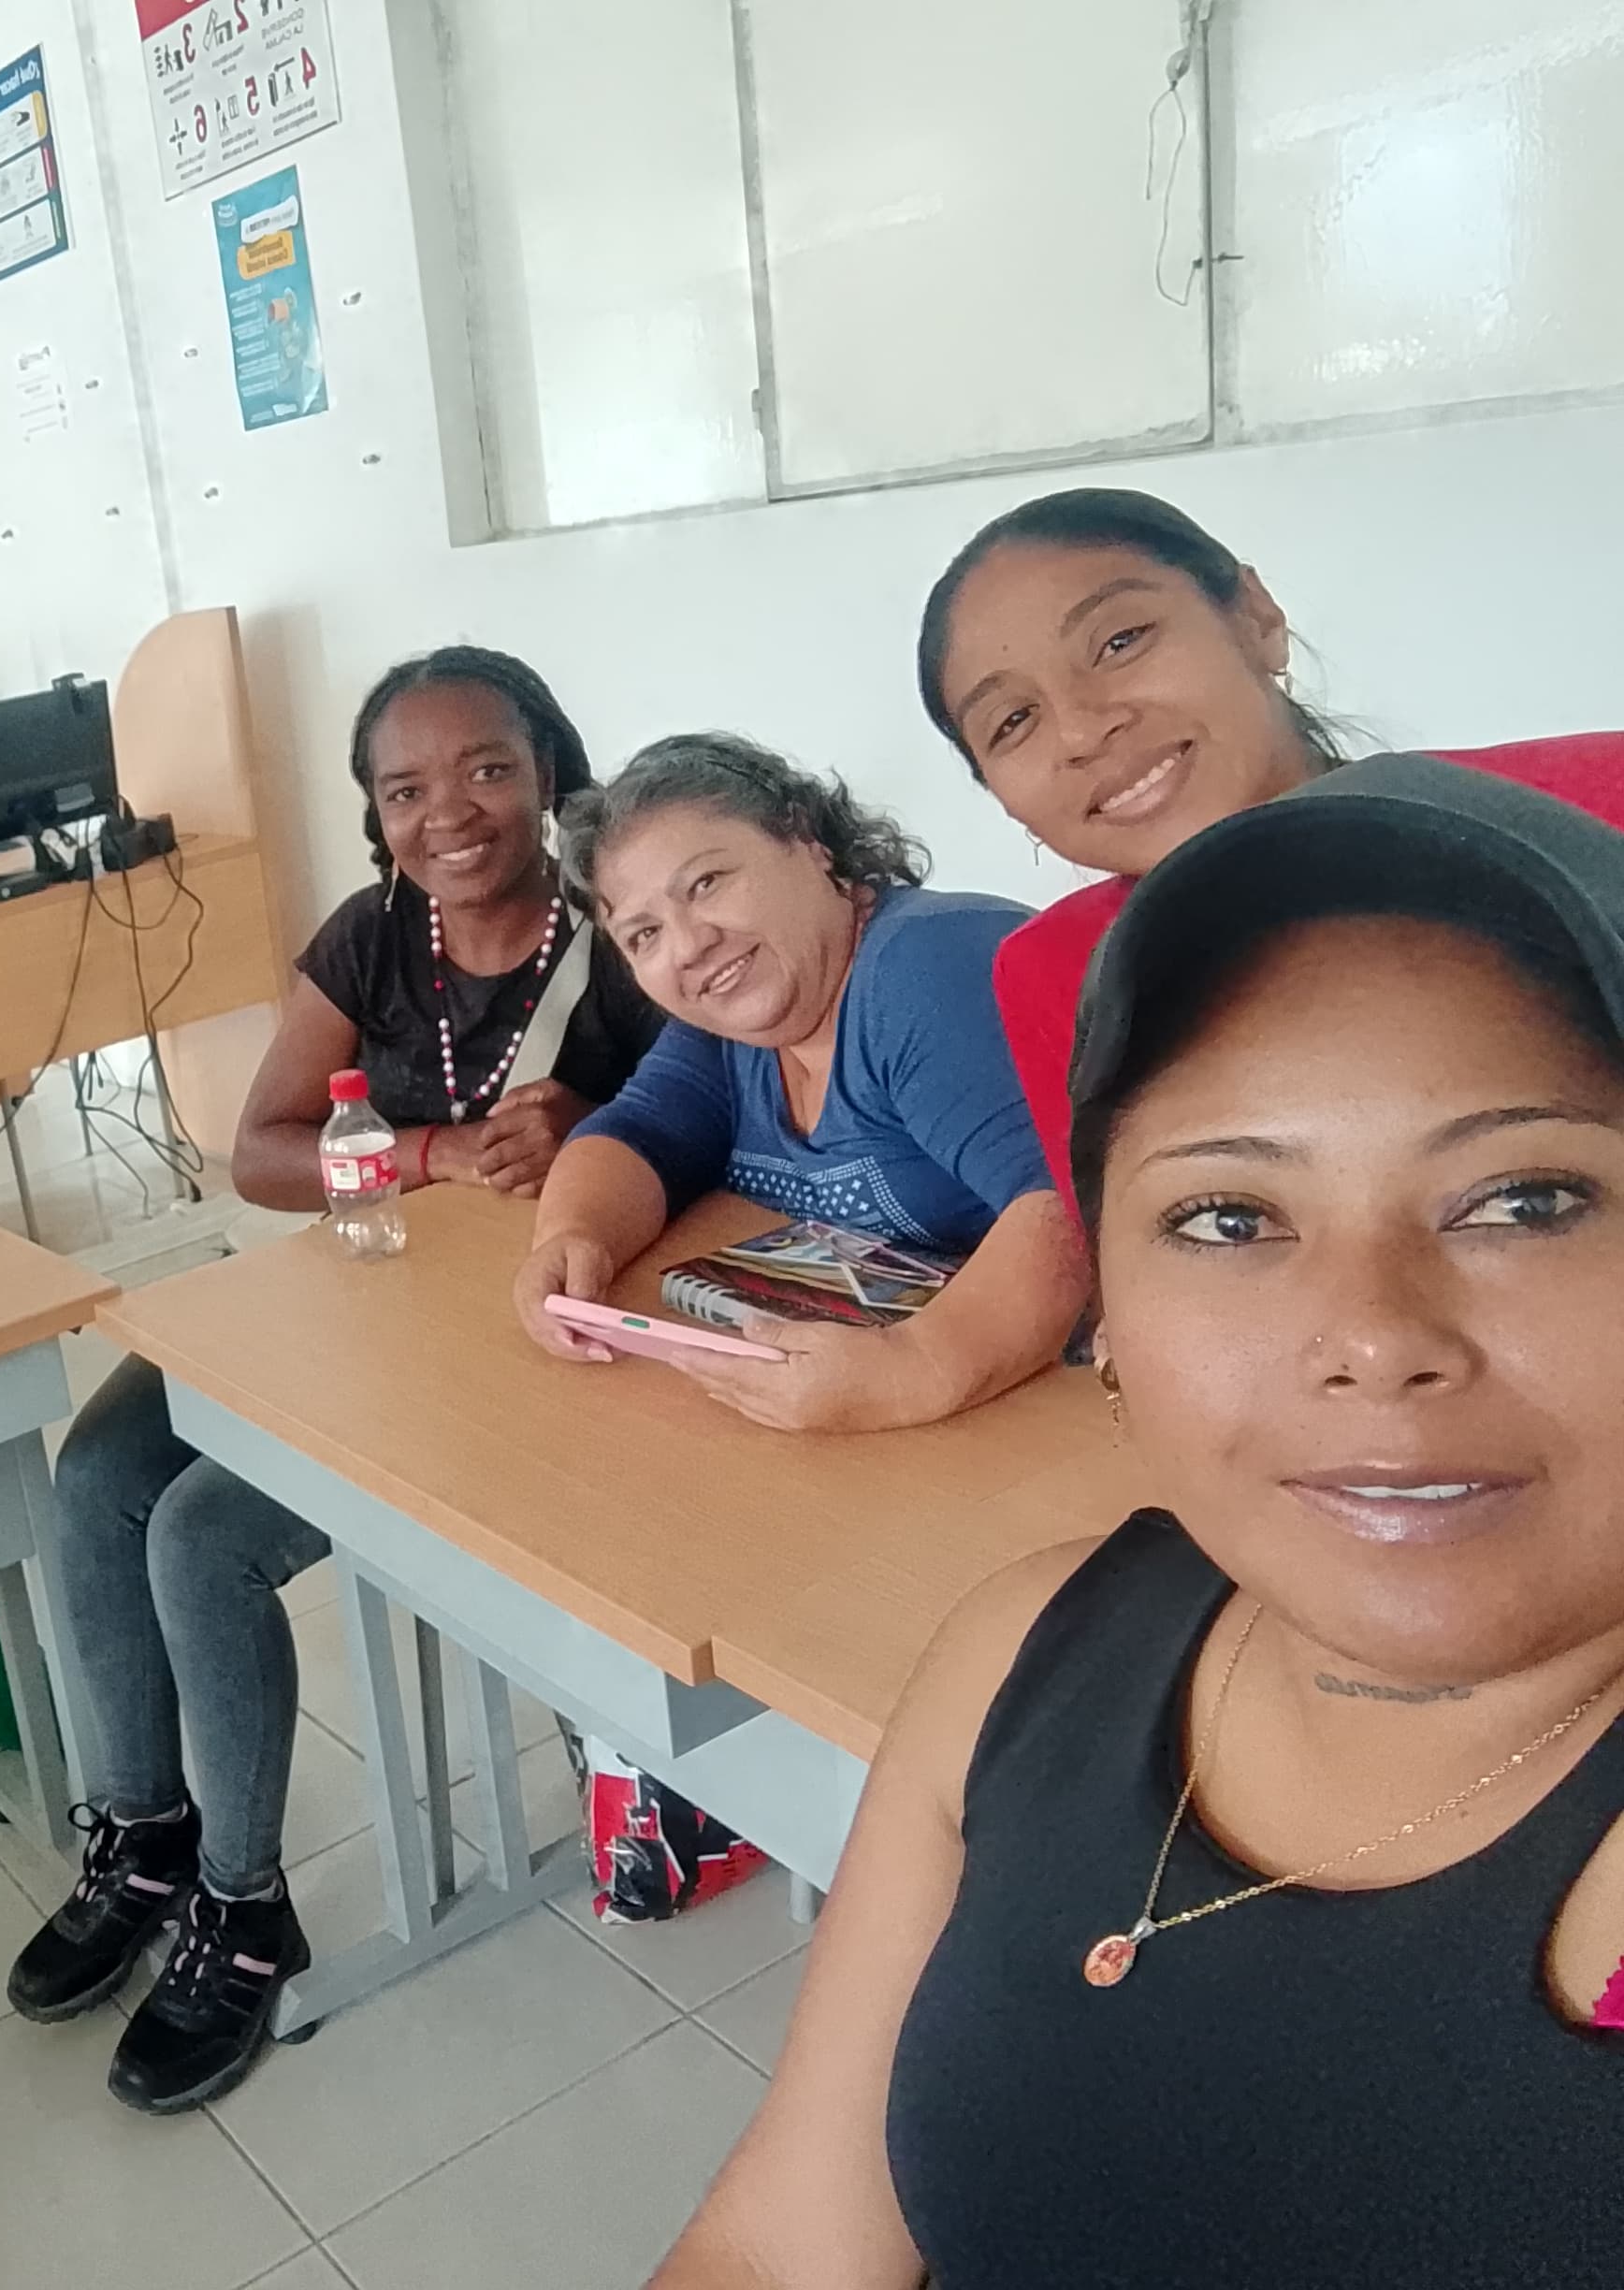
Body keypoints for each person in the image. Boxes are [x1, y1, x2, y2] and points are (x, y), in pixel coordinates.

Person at [651, 753, 1624, 2288]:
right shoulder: (1020, 1655)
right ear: (1104, 1320)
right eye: (1226, 1217)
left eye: (1525, 1199)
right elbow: (774, 2252)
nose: (1374, 1337)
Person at [13, 647, 662, 2113]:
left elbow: (716, 1129)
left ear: (549, 773)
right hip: (365, 1298)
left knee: (201, 1535)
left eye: (488, 769)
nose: (452, 813)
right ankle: (145, 1835)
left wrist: (596, 1127)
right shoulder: (372, 936)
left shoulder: (625, 938)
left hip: (509, 1340)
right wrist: (426, 1152)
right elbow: (259, 1149)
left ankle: (246, 1909)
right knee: (100, 1473)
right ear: (376, 814)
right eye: (406, 788)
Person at [917, 484, 1624, 1202]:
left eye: (1120, 642)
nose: (1081, 730)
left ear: (1256, 618)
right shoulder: (1054, 970)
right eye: (1013, 721)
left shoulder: (1594, 804)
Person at [514, 733, 1088, 1433]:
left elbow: (1074, 1202)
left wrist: (912, 1370)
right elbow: (638, 1135)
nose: (689, 946)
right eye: (644, 935)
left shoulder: (924, 968)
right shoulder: (733, 1019)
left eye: (706, 883)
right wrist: (574, 1239)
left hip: (1059, 1418)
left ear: (807, 841)